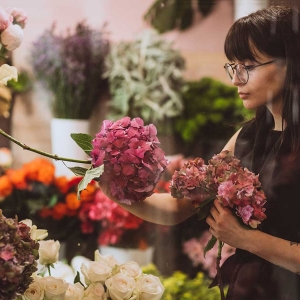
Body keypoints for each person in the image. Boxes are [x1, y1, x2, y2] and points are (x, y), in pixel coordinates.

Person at [100, 6, 300, 300]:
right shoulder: (246, 138)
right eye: (233, 66)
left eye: (248, 65)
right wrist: (110, 184)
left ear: (291, 62)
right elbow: (177, 208)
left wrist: (245, 239)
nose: (236, 79)